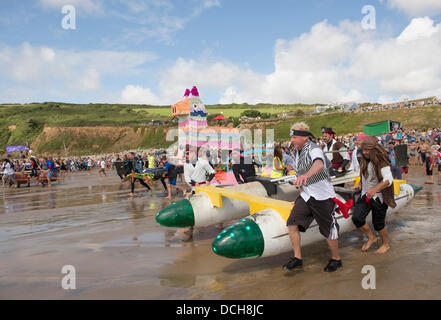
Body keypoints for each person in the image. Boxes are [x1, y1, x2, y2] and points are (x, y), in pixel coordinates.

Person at [283, 122, 342, 273]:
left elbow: (319, 164)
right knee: (292, 223)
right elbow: (299, 171)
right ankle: (298, 258)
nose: (292, 140)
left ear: (304, 138)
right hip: (307, 194)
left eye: (295, 137)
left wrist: (306, 175)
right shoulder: (297, 149)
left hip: (322, 196)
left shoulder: (314, 148)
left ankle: (336, 259)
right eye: (292, 137)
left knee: (328, 230)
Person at [352, 136, 396, 254]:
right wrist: (361, 183)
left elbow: (388, 179)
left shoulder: (382, 161)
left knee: (378, 224)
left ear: (374, 149)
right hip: (365, 194)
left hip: (379, 197)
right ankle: (371, 237)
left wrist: (374, 188)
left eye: (367, 150)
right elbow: (364, 174)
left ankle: (386, 244)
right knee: (357, 218)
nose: (364, 152)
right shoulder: (364, 159)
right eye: (363, 150)